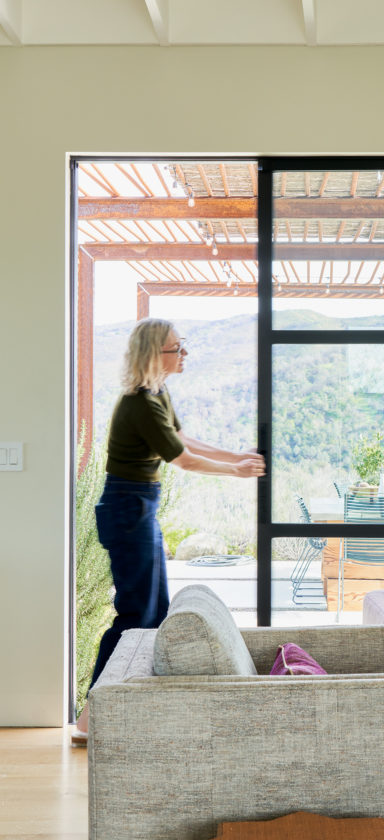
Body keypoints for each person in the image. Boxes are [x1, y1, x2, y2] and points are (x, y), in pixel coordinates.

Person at [73, 319, 265, 744]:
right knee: (136, 614)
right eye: (176, 348)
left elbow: (181, 437)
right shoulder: (139, 402)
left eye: (183, 347)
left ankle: (108, 714)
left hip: (139, 505)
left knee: (154, 611)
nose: (184, 355)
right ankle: (92, 716)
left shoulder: (158, 393)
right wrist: (236, 470)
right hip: (127, 506)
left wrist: (237, 456)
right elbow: (182, 458)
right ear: (152, 354)